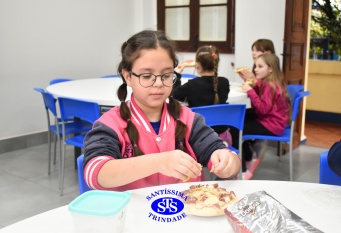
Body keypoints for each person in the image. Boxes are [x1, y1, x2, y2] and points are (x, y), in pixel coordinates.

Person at [83, 30, 241, 191]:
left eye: (166, 75)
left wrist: (228, 161)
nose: (158, 83)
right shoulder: (111, 124)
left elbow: (218, 150)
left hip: (185, 211)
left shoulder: (189, 119)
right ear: (127, 76)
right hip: (133, 213)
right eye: (146, 76)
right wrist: (159, 162)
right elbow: (95, 173)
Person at [231, 53, 291, 180]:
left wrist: (250, 91)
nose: (255, 69)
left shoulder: (270, 85)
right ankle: (248, 157)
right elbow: (262, 103)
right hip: (271, 120)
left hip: (272, 125)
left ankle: (244, 170)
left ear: (270, 69)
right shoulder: (269, 82)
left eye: (260, 66)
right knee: (238, 118)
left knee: (236, 129)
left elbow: (263, 109)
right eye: (256, 66)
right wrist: (253, 87)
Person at [172, 45, 230, 135]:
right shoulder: (225, 82)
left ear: (197, 65)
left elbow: (174, 94)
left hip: (198, 136)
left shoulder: (192, 85)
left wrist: (177, 75)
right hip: (222, 134)